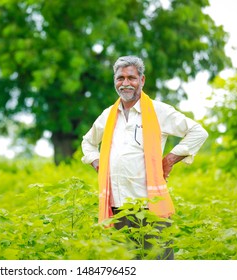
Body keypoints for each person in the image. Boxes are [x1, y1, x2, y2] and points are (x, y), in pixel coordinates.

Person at [81, 55, 208, 259]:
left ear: (142, 80)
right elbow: (87, 142)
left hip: (150, 207)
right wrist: (98, 163)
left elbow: (198, 132)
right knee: (126, 266)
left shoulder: (159, 111)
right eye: (120, 78)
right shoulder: (108, 115)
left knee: (159, 263)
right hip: (117, 207)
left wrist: (169, 159)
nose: (125, 83)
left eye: (131, 78)